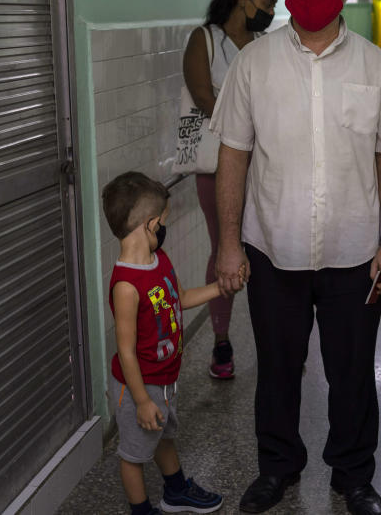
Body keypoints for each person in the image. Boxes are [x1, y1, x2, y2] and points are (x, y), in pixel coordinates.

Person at [210, 0, 381, 515]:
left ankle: (353, 476)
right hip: (273, 248)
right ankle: (277, 468)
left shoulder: (373, 65)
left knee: (352, 373)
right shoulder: (255, 63)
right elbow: (233, 154)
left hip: (356, 251)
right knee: (277, 370)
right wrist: (229, 243)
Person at [101, 172, 233, 515]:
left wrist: (220, 288)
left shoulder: (159, 261)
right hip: (138, 387)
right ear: (149, 224)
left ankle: (175, 491)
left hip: (164, 380)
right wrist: (142, 401)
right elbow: (126, 351)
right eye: (163, 223)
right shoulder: (127, 285)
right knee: (133, 455)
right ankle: (141, 510)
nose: (164, 229)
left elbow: (182, 297)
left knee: (162, 436)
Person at [182, 0, 278, 379]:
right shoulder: (204, 39)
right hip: (218, 165)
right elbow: (205, 98)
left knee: (267, 251)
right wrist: (250, 119)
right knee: (226, 248)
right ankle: (221, 342)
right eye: (268, 2)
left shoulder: (262, 44)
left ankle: (278, 341)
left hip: (267, 165)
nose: (271, 11)